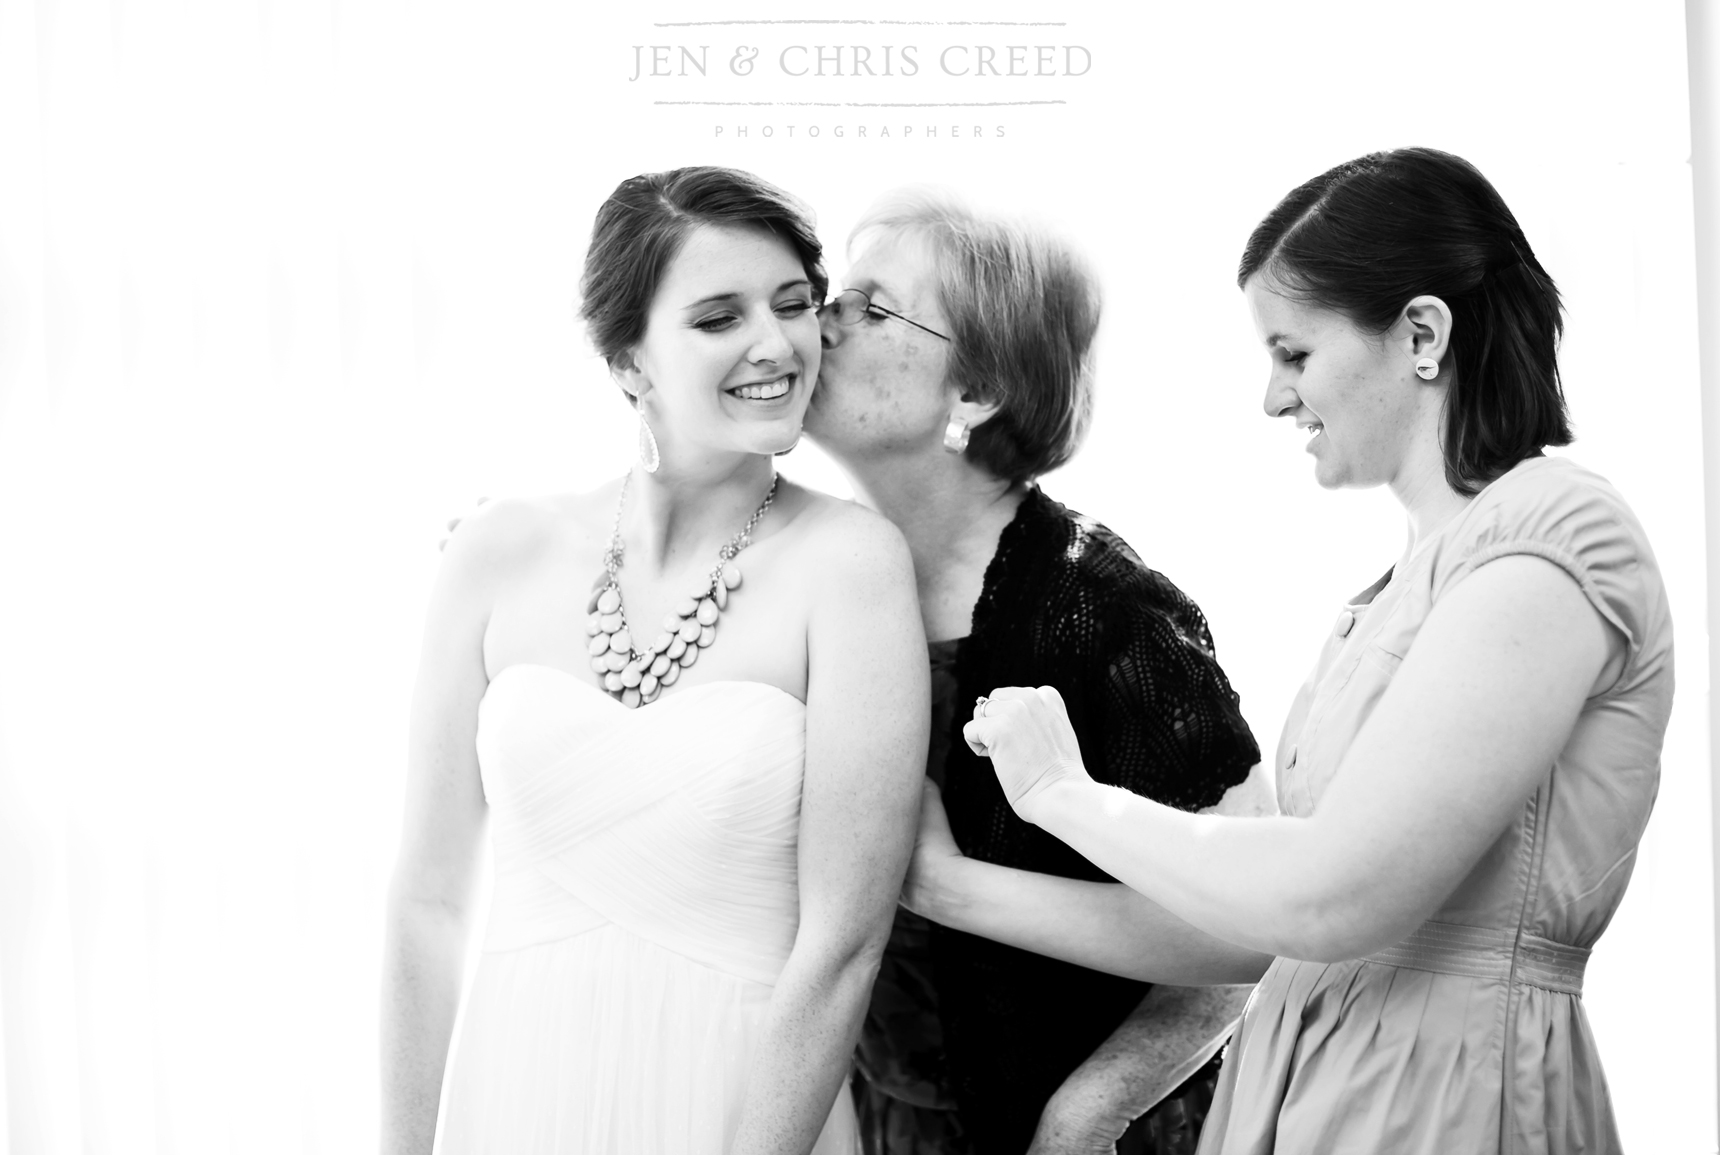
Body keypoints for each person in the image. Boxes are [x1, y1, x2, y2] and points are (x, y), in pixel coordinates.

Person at [957, 147, 1674, 1155]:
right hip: (1320, 1089)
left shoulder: (1551, 539)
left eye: (1293, 354)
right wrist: (947, 883)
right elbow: (1258, 913)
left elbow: (1334, 893)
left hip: (1443, 1105)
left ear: (1422, 334)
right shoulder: (1407, 585)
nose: (1271, 400)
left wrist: (1062, 795)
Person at [379, 166, 929, 1155]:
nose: (776, 343)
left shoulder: (851, 565)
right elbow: (426, 905)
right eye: (718, 317)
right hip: (514, 1091)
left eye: (794, 304)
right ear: (629, 361)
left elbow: (842, 945)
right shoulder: (496, 551)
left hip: (740, 1102)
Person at [802, 187, 1274, 1155]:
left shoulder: (1110, 610)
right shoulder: (809, 581)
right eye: (833, 294)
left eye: (872, 306)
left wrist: (1084, 1112)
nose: (820, 320)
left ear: (971, 394)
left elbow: (1245, 933)